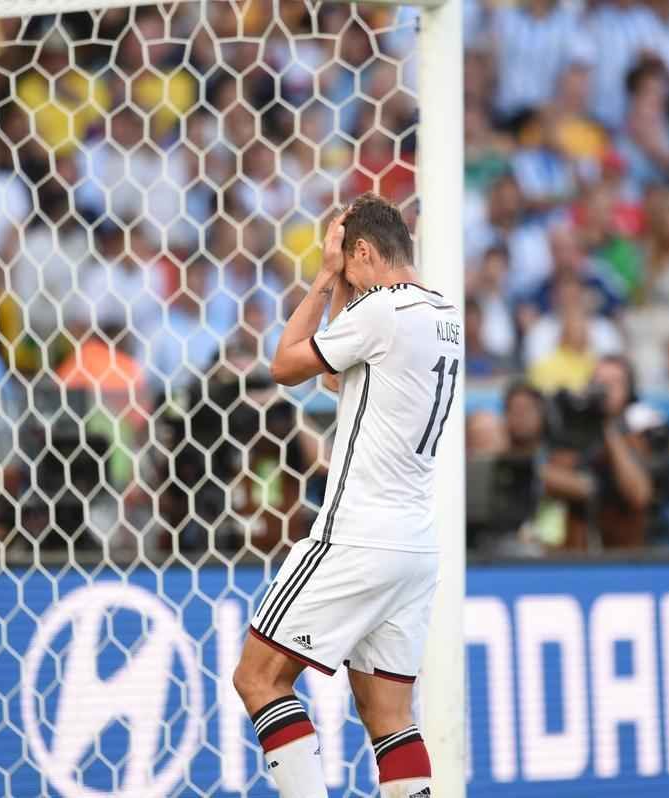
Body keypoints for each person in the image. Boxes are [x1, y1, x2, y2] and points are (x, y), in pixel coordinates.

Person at [232, 194, 459, 798]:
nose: (347, 281)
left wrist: (325, 275)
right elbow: (336, 373)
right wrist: (343, 284)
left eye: (349, 262)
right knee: (388, 716)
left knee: (258, 678)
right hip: (415, 547)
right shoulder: (443, 315)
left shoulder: (381, 311)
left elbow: (285, 365)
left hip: (356, 535)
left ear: (362, 250)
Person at [541, 355, 654, 550]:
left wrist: (607, 426)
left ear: (629, 391)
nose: (605, 389)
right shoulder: (570, 428)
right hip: (572, 549)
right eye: (599, 382)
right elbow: (543, 479)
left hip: (623, 551)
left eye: (614, 382)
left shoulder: (641, 433)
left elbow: (639, 495)